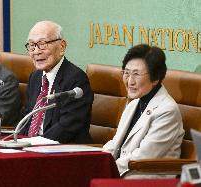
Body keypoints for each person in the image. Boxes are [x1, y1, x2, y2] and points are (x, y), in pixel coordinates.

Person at [103, 44, 184, 177]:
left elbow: (143, 157)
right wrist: (95, 161)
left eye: (136, 74)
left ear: (155, 78)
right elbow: (116, 143)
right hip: (125, 170)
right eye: (126, 73)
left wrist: (105, 170)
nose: (130, 81)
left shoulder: (167, 111)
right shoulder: (134, 103)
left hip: (147, 176)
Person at [20, 20, 94, 143]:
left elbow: (67, 127)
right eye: (32, 45)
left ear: (62, 46)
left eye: (43, 44)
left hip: (64, 151)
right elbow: (27, 117)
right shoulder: (35, 77)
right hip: (33, 147)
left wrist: (35, 144)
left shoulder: (76, 79)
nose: (36, 51)